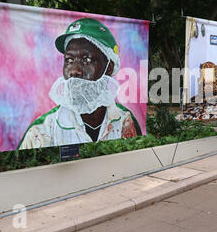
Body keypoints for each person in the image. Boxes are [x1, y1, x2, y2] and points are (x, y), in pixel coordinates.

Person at [18, 18, 141, 150]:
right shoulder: (42, 132)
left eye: (86, 60)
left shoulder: (125, 121)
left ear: (109, 68)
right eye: (69, 60)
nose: (74, 71)